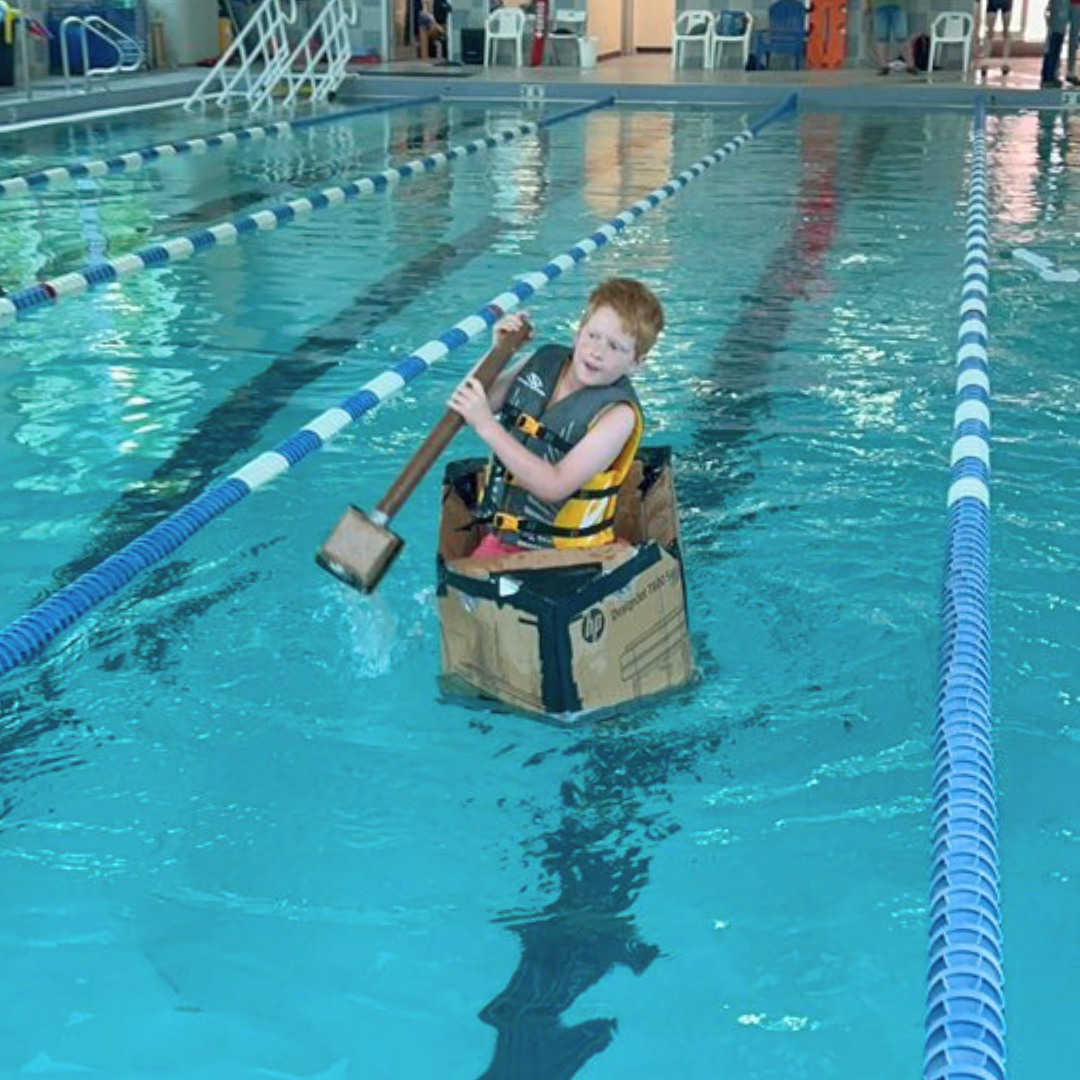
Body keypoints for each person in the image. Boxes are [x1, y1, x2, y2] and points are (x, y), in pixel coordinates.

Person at [448, 279, 665, 557]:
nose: (597, 351)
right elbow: (467, 405)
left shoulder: (618, 416)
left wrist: (488, 427)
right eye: (593, 336)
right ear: (578, 333)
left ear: (635, 363)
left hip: (568, 557)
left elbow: (555, 485)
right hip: (502, 538)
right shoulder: (544, 361)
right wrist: (498, 353)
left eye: (615, 346)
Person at [865, 0, 913, 74]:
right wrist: (867, 4)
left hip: (898, 5)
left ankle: (911, 66)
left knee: (902, 36)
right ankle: (884, 67)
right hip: (879, 6)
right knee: (882, 37)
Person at [977, 0, 1014, 76]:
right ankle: (985, 61)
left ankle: (1005, 62)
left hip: (1006, 2)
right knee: (989, 31)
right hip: (993, 2)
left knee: (1006, 30)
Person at [1042, 0, 1071, 87]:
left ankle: (1049, 75)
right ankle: (1048, 76)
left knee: (1054, 43)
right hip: (1060, 9)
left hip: (1058, 9)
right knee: (1054, 43)